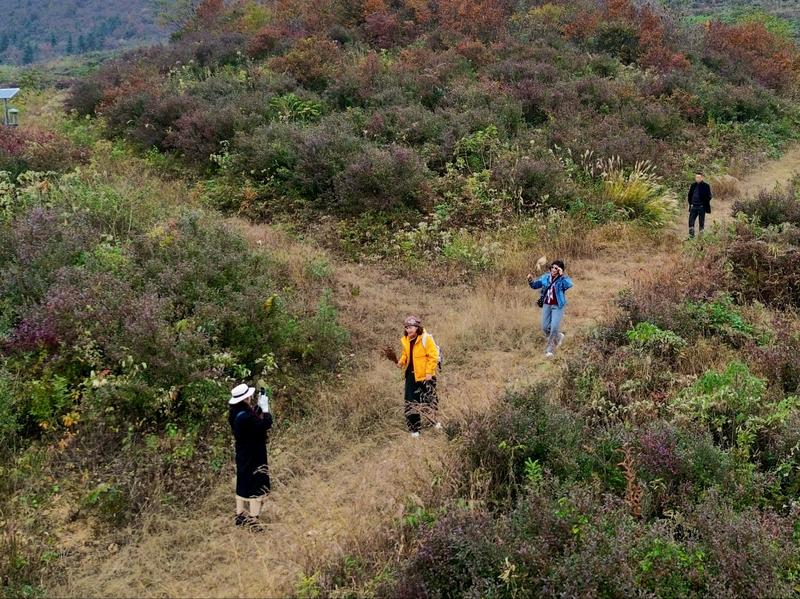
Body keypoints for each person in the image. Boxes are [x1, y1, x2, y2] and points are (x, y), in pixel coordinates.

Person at [228, 383, 273, 530]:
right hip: (254, 454)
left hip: (242, 452)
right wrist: (265, 410)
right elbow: (264, 424)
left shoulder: (235, 413)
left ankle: (240, 516)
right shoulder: (246, 417)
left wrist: (259, 407)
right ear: (246, 397)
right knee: (256, 484)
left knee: (243, 482)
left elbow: (251, 419)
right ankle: (254, 522)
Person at [396, 315, 440, 438]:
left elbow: (433, 356)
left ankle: (434, 422)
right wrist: (401, 361)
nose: (409, 330)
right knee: (410, 402)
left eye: (411, 327)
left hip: (426, 376)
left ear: (417, 328)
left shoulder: (426, 339)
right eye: (407, 327)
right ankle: (415, 429)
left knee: (429, 399)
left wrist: (429, 373)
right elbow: (406, 354)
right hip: (411, 376)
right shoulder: (405, 340)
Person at [527, 260, 574, 358]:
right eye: (552, 267)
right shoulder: (545, 277)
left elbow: (569, 284)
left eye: (556, 268)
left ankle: (549, 350)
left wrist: (562, 275)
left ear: (560, 270)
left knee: (554, 328)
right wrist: (530, 280)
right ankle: (559, 336)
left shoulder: (562, 279)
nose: (553, 269)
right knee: (544, 327)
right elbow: (535, 286)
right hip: (547, 304)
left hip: (557, 306)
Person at [687, 171, 712, 238]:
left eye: (698, 177)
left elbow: (709, 196)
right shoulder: (693, 185)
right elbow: (689, 196)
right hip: (693, 207)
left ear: (702, 178)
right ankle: (691, 237)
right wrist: (690, 203)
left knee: (701, 223)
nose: (697, 178)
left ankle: (701, 238)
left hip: (701, 207)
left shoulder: (706, 186)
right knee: (690, 222)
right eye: (696, 177)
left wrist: (704, 203)